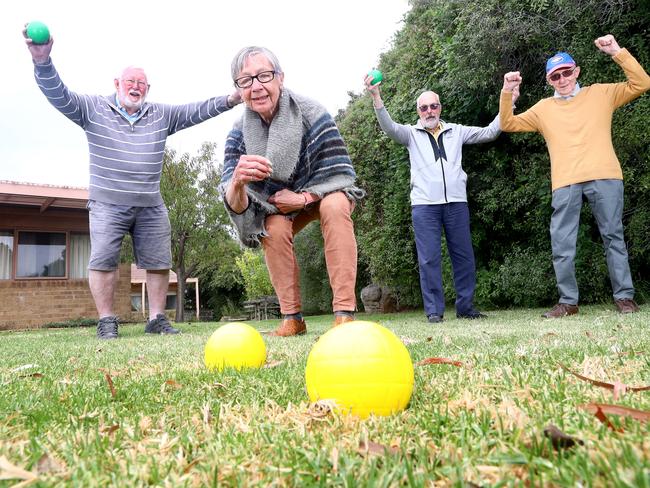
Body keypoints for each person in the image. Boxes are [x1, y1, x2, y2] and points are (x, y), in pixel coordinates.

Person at [24, 27, 242, 339]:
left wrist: (231, 99)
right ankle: (107, 320)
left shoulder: (160, 115)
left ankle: (156, 319)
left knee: (157, 262)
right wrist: (42, 62)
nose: (136, 87)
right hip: (107, 203)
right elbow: (59, 95)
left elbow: (195, 111)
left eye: (141, 84)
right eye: (130, 82)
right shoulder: (93, 108)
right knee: (103, 261)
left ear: (148, 88)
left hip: (150, 204)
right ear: (117, 84)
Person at [500, 34, 650, 318]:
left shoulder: (601, 93)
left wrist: (617, 51)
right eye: (555, 76)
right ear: (549, 81)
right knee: (562, 244)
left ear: (576, 71)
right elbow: (507, 123)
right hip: (565, 182)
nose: (563, 79)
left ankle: (625, 298)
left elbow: (642, 83)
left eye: (567, 72)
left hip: (605, 175)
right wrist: (508, 92)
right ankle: (568, 303)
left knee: (613, 237)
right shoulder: (543, 109)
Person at [220, 46, 365, 337]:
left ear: (280, 78)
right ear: (238, 88)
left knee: (335, 206)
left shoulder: (312, 112)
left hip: (321, 193)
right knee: (271, 227)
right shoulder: (238, 133)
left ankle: (344, 316)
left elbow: (339, 175)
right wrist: (236, 183)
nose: (256, 87)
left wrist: (302, 198)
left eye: (263, 75)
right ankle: (292, 318)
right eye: (245, 81)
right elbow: (237, 206)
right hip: (277, 208)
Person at [364, 77, 518, 323]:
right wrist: (376, 97)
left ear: (440, 108)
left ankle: (466, 308)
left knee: (464, 256)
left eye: (433, 106)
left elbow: (490, 132)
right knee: (429, 260)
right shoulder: (411, 134)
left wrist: (509, 99)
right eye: (424, 108)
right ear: (418, 112)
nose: (429, 111)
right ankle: (434, 311)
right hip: (425, 206)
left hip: (457, 203)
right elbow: (389, 128)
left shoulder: (456, 131)